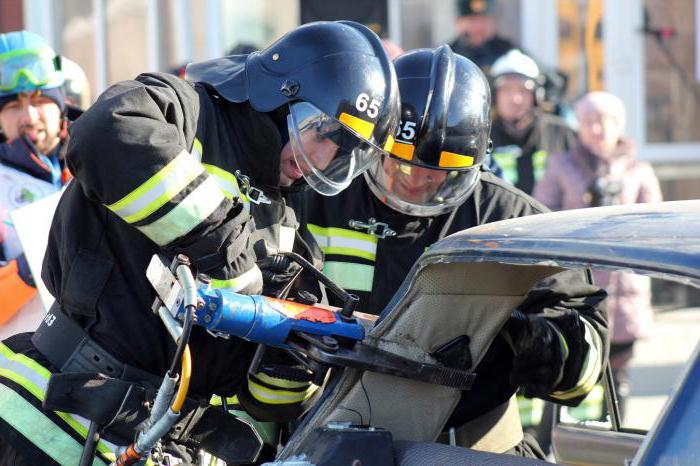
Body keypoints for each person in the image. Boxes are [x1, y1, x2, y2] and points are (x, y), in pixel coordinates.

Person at [0, 21, 399, 465]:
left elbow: (267, 402)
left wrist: (293, 349)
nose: (322, 159)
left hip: (162, 438)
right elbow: (106, 131)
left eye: (343, 150)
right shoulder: (190, 112)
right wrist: (221, 240)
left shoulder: (284, 216)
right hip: (47, 420)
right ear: (282, 93)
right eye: (322, 132)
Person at [298, 45, 607, 458]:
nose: (415, 182)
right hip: (321, 440)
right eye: (400, 164)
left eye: (440, 174)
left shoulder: (510, 222)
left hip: (469, 450)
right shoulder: (318, 197)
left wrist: (550, 346)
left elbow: (586, 341)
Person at [534, 91, 662, 420]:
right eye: (589, 121)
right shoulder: (561, 165)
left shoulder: (638, 169)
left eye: (606, 120)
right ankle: (578, 441)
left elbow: (655, 226)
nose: (598, 128)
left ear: (619, 125)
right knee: (578, 368)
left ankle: (618, 442)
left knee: (618, 376)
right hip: (578, 286)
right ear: (579, 126)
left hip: (624, 291)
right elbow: (542, 218)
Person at [0, 31, 72, 340]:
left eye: (40, 100)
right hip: (15, 373)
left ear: (62, 106)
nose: (29, 116)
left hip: (99, 368)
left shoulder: (96, 167)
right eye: (14, 106)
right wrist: (27, 271)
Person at [489, 49, 578, 195]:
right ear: (494, 95)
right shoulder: (482, 139)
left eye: (523, 90)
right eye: (506, 90)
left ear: (537, 95)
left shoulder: (561, 133)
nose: (515, 99)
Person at [449, 0, 517, 73]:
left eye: (484, 20)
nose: (479, 27)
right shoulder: (448, 55)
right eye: (472, 20)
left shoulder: (510, 53)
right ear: (459, 23)